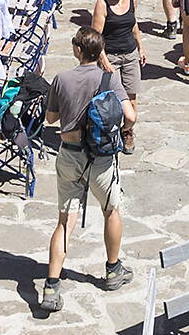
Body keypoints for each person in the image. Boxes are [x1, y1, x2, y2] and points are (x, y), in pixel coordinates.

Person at [40, 27, 135, 312]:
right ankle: (113, 270)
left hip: (70, 155)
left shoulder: (62, 78)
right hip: (102, 158)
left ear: (78, 50)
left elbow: (50, 118)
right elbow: (130, 116)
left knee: (64, 221)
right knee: (110, 211)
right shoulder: (110, 79)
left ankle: (52, 286)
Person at [90, 0, 146, 154]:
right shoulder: (102, 4)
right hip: (110, 55)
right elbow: (96, 37)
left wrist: (140, 47)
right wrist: (104, 61)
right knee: (109, 100)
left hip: (129, 54)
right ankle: (105, 131)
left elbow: (133, 24)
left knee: (131, 99)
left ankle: (127, 131)